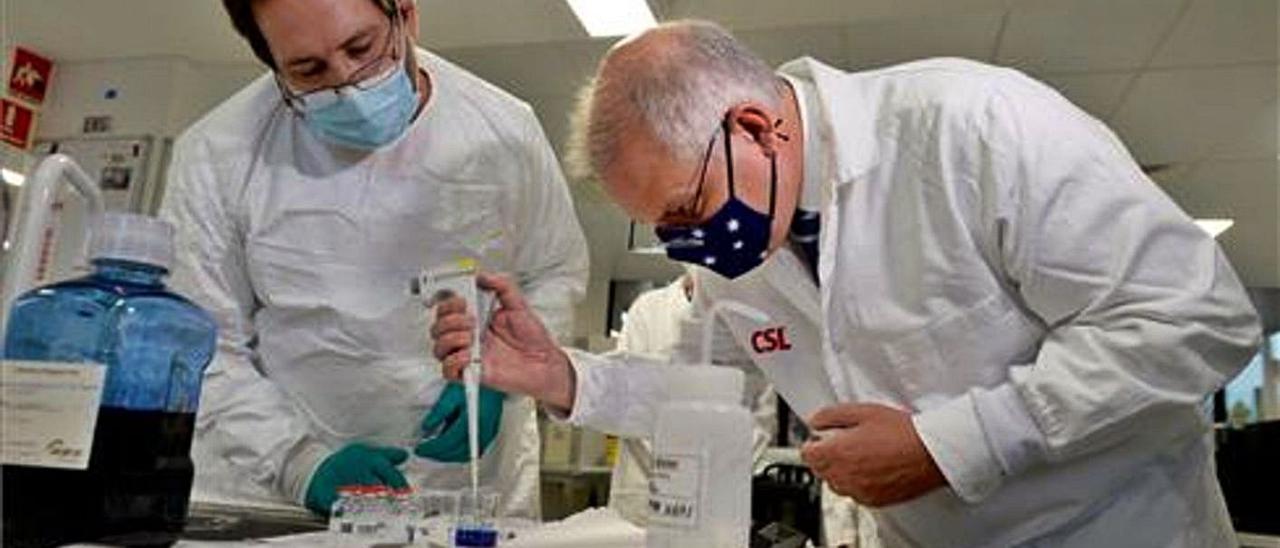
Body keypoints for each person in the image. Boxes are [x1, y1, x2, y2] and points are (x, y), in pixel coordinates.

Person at [430, 20, 1263, 546]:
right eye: (667, 228)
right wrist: (563, 376)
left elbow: (1194, 317)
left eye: (690, 210)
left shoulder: (973, 129)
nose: (689, 246)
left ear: (753, 127)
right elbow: (710, 396)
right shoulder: (743, 233)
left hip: (1115, 530)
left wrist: (951, 443)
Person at [158, 0, 588, 517]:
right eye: (308, 70)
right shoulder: (217, 153)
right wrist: (299, 463)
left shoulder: (504, 129)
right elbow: (202, 342)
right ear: (271, 64)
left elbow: (555, 271)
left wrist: (504, 376)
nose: (348, 86)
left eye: (361, 48)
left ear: (405, 14)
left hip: (467, 489)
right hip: (279, 490)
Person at [607, 273, 778, 528]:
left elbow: (759, 422)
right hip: (643, 492)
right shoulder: (648, 310)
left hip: (718, 496)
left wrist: (716, 467)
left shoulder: (749, 317)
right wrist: (682, 469)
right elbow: (630, 397)